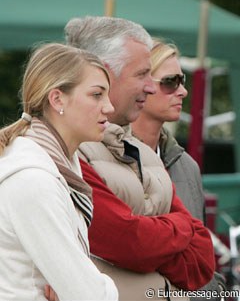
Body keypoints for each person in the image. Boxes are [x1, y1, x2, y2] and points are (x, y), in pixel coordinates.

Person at [64, 16, 215, 301]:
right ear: (104, 73)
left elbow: (202, 261)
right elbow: (127, 241)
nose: (150, 86)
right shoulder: (66, 151)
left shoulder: (148, 154)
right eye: (143, 75)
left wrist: (147, 245)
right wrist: (180, 230)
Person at [0, 42, 118, 301]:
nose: (109, 107)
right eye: (97, 95)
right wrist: (105, 286)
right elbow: (89, 294)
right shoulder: (33, 178)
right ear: (57, 99)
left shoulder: (56, 164)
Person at [132, 39, 226, 300]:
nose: (183, 91)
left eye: (182, 81)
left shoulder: (187, 166)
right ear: (141, 85)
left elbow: (203, 260)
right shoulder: (106, 159)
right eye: (170, 82)